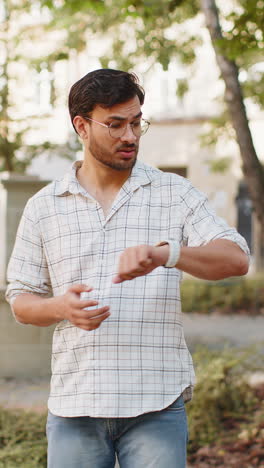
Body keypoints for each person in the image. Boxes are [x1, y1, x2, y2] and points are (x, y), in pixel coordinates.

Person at [6, 69, 249, 468]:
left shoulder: (174, 193)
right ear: (81, 126)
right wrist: (60, 308)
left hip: (156, 404)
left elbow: (236, 258)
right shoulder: (43, 206)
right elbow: (20, 299)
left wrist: (168, 254)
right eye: (116, 125)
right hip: (75, 405)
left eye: (137, 123)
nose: (131, 136)